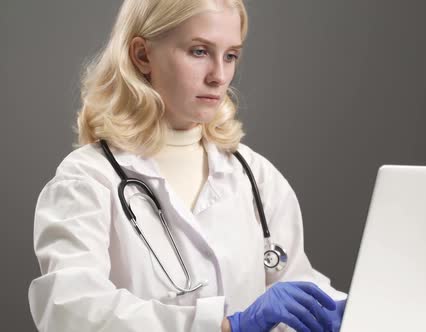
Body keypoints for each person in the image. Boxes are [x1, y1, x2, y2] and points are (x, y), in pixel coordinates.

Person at [27, 0, 347, 331]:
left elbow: (299, 293)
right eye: (199, 51)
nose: (219, 76)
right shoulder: (89, 179)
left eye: (230, 56)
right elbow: (70, 310)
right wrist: (224, 326)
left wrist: (358, 309)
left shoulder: (256, 176)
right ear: (142, 55)